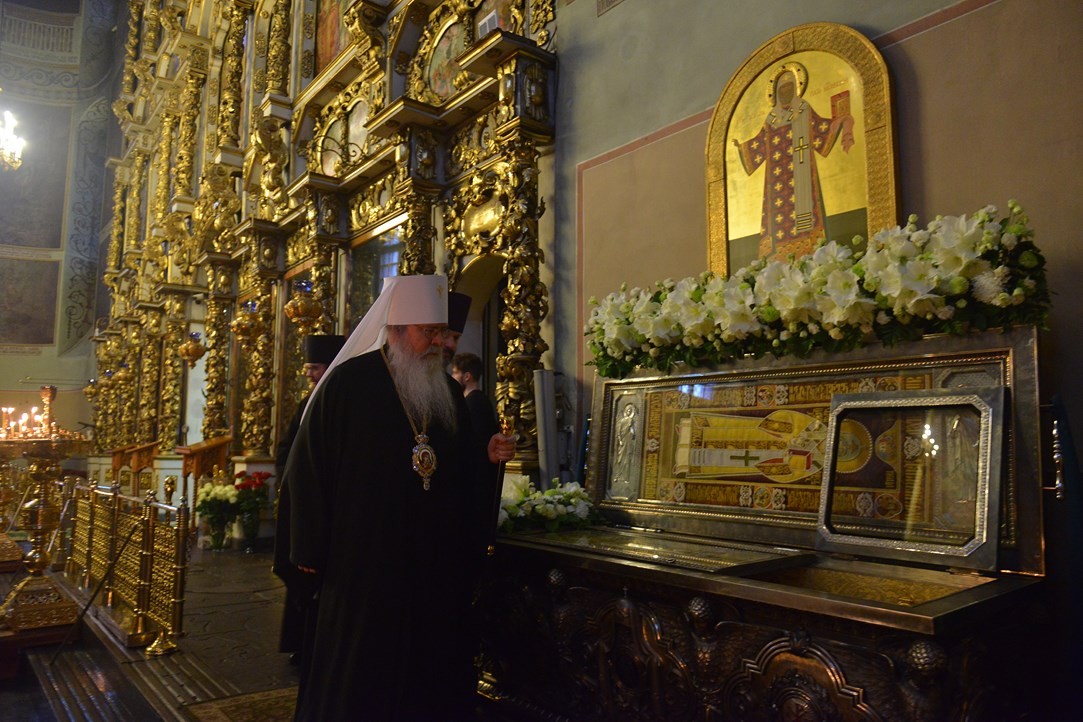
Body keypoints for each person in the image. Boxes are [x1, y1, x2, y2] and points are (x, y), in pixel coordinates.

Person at [282, 275, 515, 721]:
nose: (439, 343)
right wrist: (308, 546)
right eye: (429, 332)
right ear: (396, 329)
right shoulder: (347, 384)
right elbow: (308, 466)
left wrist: (484, 455)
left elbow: (456, 467)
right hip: (363, 565)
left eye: (440, 333)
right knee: (363, 675)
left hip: (430, 565)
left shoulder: (447, 392)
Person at [272, 334, 344, 675]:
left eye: (314, 368)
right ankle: (300, 645)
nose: (309, 375)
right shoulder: (306, 404)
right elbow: (287, 448)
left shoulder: (340, 401)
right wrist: (291, 477)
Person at [732, 61, 855, 261]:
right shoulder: (772, 118)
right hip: (777, 179)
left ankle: (809, 247)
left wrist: (841, 121)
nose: (785, 92)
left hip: (801, 170)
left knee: (805, 210)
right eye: (782, 89)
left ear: (796, 88)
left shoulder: (803, 109)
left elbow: (821, 129)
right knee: (778, 215)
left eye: (789, 87)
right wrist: (741, 148)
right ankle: (779, 252)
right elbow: (759, 143)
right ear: (776, 93)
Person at [451, 351, 498, 442]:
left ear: (467, 377)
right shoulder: (479, 399)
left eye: (455, 372)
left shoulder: (473, 402)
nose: (453, 377)